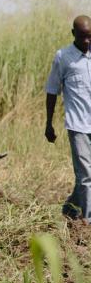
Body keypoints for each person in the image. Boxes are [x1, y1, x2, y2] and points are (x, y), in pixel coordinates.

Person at [45, 15, 91, 223]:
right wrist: (49, 123)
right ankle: (88, 221)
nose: (87, 41)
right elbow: (52, 90)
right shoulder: (63, 57)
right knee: (86, 176)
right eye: (83, 37)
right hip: (78, 124)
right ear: (74, 34)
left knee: (86, 175)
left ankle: (69, 209)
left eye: (90, 37)